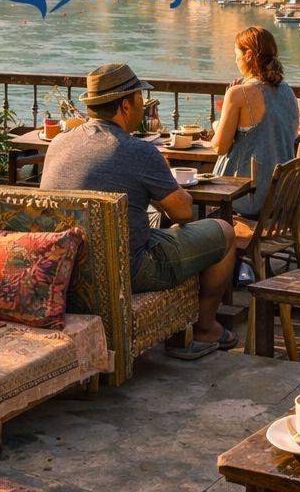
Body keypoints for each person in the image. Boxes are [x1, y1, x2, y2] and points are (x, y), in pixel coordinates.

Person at [40, 63, 237, 360]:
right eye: (140, 98)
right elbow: (183, 213)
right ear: (124, 105)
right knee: (224, 232)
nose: (144, 106)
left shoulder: (59, 143)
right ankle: (205, 327)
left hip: (67, 267)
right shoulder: (138, 151)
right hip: (128, 269)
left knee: (153, 223)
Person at [212, 26, 299, 215]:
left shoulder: (238, 94)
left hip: (246, 198)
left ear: (249, 55)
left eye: (236, 54)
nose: (235, 60)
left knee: (188, 207)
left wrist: (219, 122)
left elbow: (219, 147)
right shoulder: (287, 91)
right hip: (281, 198)